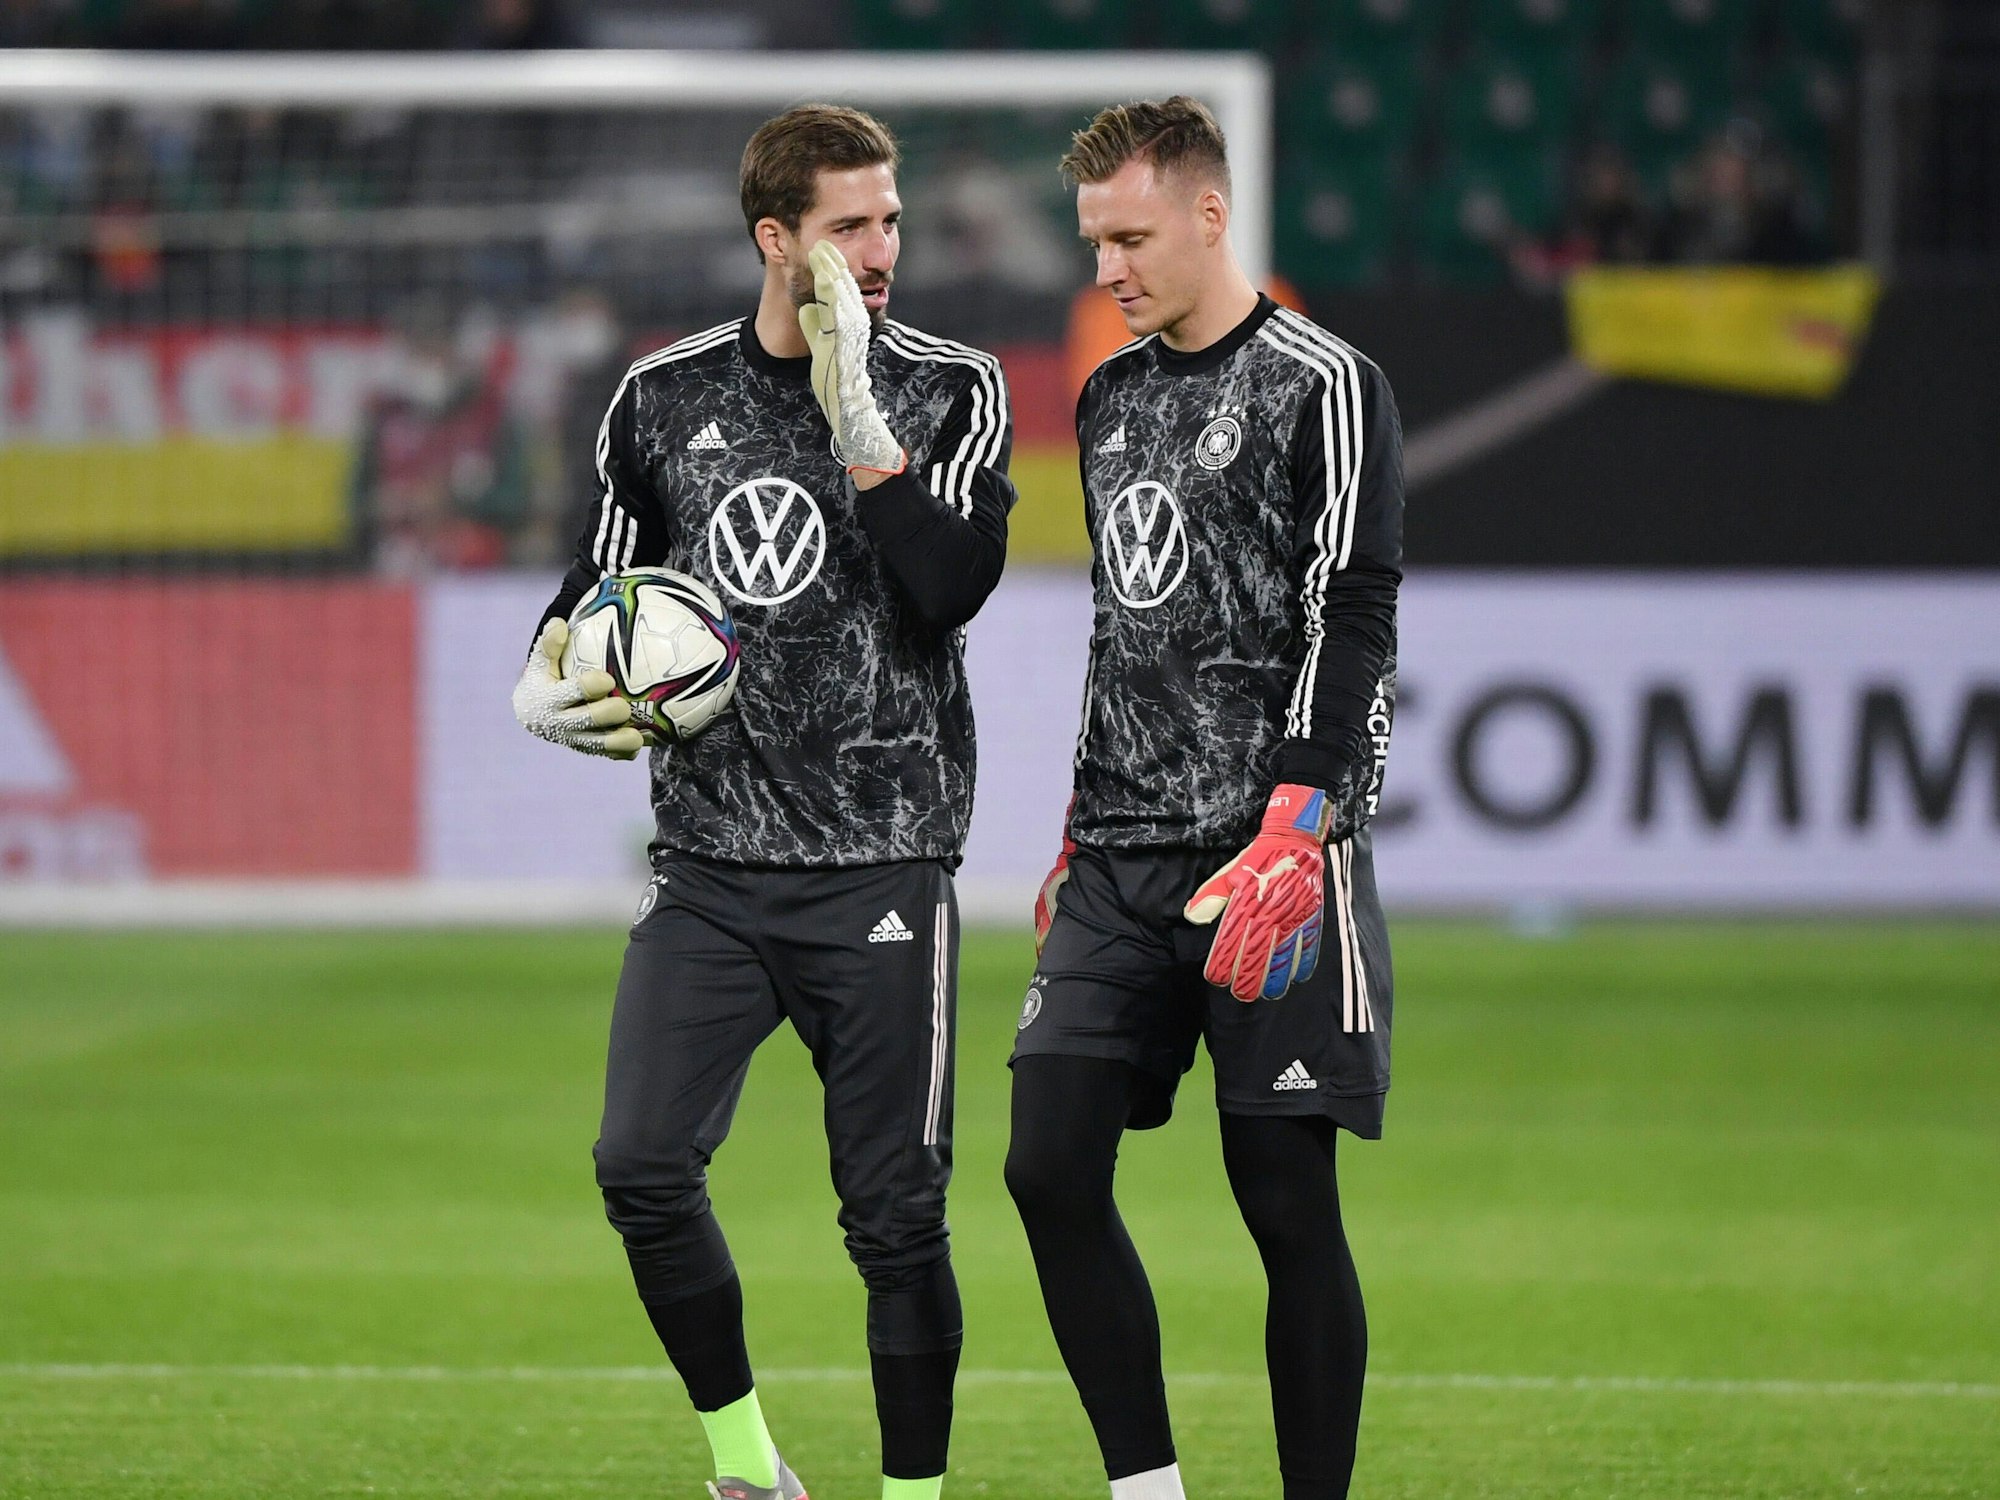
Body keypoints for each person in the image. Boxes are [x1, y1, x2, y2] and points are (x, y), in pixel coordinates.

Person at [509, 104, 1014, 1500]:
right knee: (640, 1165)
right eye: (852, 226)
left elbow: (949, 589)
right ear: (776, 239)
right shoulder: (660, 396)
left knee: (896, 1222)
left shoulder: (953, 387)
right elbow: (600, 589)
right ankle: (748, 1467)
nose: (883, 248)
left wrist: (860, 423)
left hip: (884, 865)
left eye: (893, 218)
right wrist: (547, 674)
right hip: (712, 871)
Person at [1006, 97, 1402, 1500]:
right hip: (1117, 857)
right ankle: (1147, 1490)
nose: (1107, 266)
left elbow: (1352, 613)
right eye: (1093, 241)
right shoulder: (1108, 392)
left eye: (1129, 234)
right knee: (1046, 1165)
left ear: (1210, 212)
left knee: (1286, 1204)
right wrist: (1071, 826)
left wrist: (1304, 818)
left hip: (1269, 855)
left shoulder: (1325, 382)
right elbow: (1126, 626)